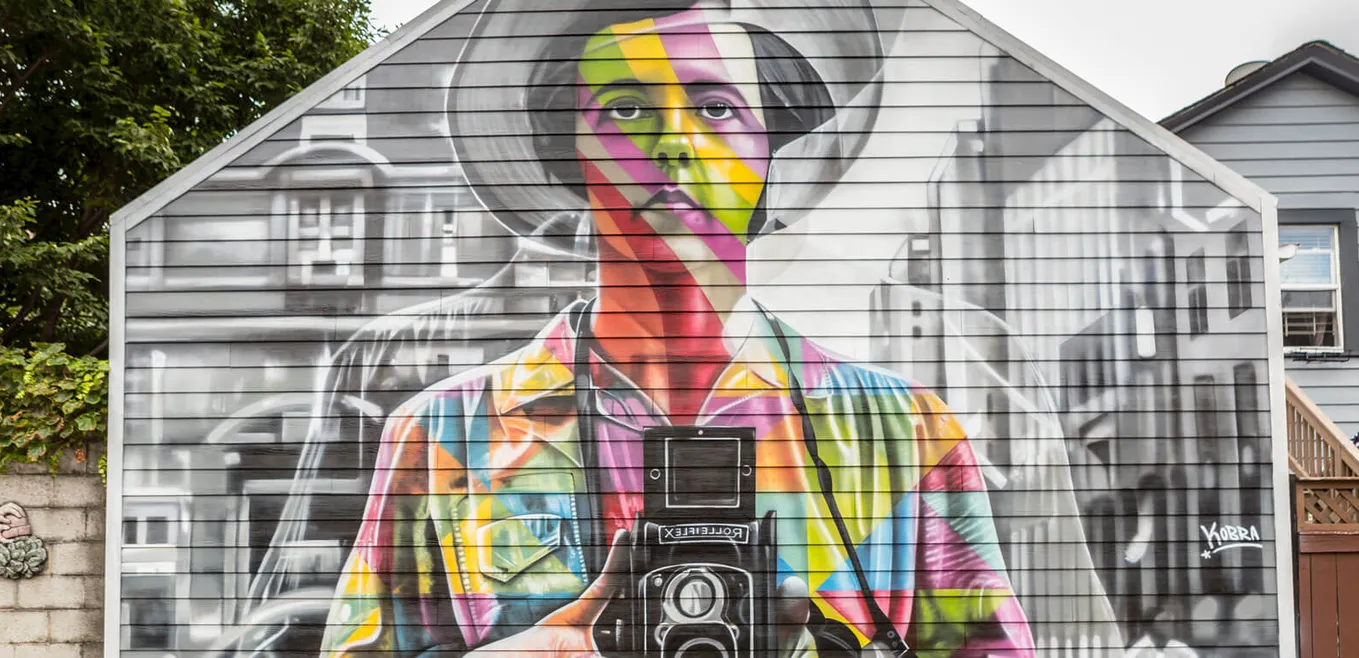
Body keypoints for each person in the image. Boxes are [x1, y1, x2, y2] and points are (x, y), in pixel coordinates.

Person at [320, 1, 1034, 656]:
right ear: (569, 149)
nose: (675, 144)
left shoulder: (903, 434)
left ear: (769, 148)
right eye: (627, 109)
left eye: (717, 108)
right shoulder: (443, 436)